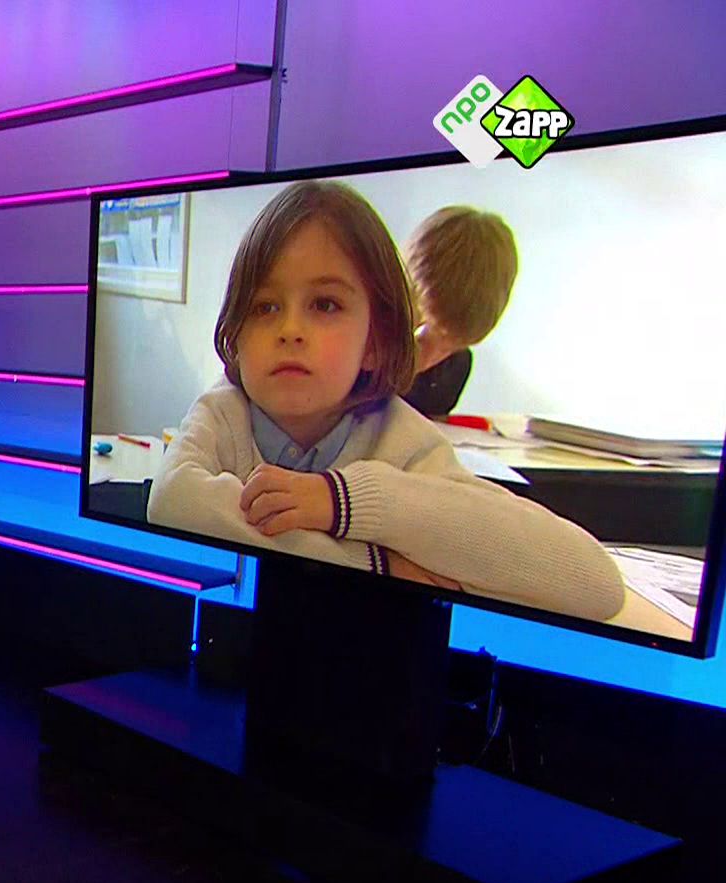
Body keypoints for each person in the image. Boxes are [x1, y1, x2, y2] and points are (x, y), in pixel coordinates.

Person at [147, 180, 623, 622]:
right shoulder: (221, 413)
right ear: (234, 335)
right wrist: (377, 566)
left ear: (375, 342)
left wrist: (342, 502)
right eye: (264, 306)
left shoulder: (406, 441)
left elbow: (596, 585)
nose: (289, 329)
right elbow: (172, 502)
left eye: (325, 305)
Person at [399, 205, 518, 418]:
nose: (430, 358)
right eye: (429, 329)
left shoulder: (455, 365)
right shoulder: (363, 343)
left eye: (449, 345)